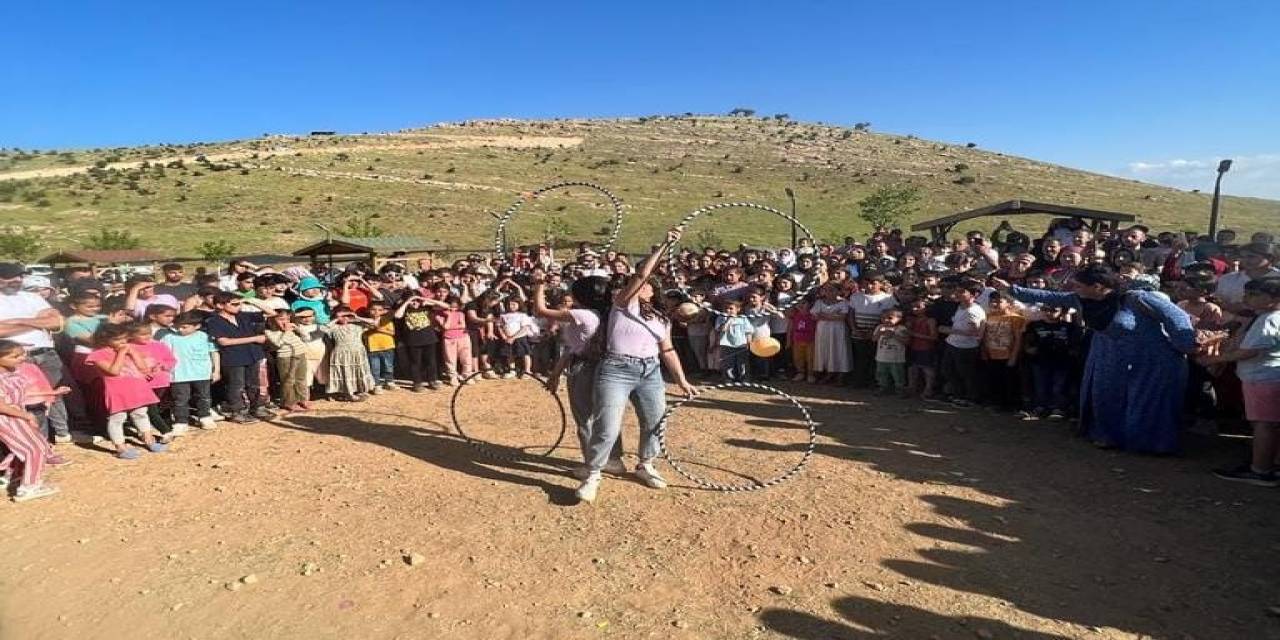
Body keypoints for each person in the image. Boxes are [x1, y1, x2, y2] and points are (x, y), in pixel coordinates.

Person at [995, 265, 1197, 453]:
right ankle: (1109, 436)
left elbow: (1176, 316)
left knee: (1145, 400)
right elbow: (1051, 296)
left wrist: (1185, 344)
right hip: (1110, 356)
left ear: (1098, 287)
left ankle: (1147, 443)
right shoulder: (1082, 299)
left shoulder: (1137, 298)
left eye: (1079, 285)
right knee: (1105, 395)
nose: (1074, 288)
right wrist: (1012, 290)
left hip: (1151, 358)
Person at [577, 229, 696, 503]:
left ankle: (646, 464)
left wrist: (682, 381)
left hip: (650, 371)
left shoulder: (661, 320)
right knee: (607, 425)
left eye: (645, 285)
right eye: (636, 284)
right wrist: (665, 244)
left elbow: (668, 350)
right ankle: (594, 473)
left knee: (655, 422)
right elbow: (641, 274)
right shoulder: (622, 305)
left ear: (653, 292)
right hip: (616, 369)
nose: (638, 285)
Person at [533, 272, 626, 479]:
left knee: (586, 419)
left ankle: (592, 464)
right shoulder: (610, 313)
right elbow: (573, 348)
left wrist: (539, 285)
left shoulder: (583, 315)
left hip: (584, 369)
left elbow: (540, 311)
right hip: (606, 367)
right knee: (607, 416)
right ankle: (614, 460)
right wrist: (556, 373)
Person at [1208, 279, 1280, 485]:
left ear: (1274, 298)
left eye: (1254, 294)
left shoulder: (1268, 320)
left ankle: (1260, 470)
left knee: (1263, 425)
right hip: (1271, 377)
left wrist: (1214, 359)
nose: (1246, 298)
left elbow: (1249, 351)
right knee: (1273, 424)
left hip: (1262, 378)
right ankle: (1273, 464)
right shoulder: (1267, 317)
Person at [85, 324, 167, 459]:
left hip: (137, 388)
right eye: (118, 339)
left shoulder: (131, 348)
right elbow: (113, 371)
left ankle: (149, 440)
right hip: (117, 391)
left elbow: (143, 368)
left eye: (125, 338)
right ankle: (120, 447)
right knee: (117, 418)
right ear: (105, 339)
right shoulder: (97, 355)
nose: (123, 342)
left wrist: (133, 353)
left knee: (141, 414)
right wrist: (122, 353)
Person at [0, 340, 66, 501]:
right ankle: (29, 487)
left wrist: (52, 392)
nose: (21, 358)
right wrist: (26, 416)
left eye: (22, 354)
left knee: (33, 446)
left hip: (16, 415)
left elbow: (20, 396)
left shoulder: (12, 374)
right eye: (15, 356)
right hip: (8, 419)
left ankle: (11, 475)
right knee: (34, 449)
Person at [204, 292, 271, 424]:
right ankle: (238, 411)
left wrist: (252, 301)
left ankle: (257, 407)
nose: (239, 306)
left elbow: (271, 313)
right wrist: (254, 338)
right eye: (234, 304)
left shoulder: (243, 316)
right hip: (233, 357)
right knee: (236, 386)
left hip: (251, 354)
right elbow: (224, 341)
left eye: (240, 303)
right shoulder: (214, 321)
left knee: (254, 384)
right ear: (219, 305)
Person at [162, 313, 219, 430]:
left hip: (202, 373)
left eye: (184, 327)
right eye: (178, 326)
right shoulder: (168, 337)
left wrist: (216, 370)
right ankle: (181, 421)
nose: (180, 329)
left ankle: (205, 416)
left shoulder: (204, 336)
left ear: (197, 326)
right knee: (180, 399)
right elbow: (162, 354)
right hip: (178, 375)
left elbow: (214, 352)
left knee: (203, 397)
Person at [1023, 306, 1081, 419]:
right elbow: (1027, 341)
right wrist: (1029, 349)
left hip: (1061, 361)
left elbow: (1075, 344)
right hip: (1040, 360)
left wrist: (1069, 350)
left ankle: (1058, 408)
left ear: (1062, 312)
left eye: (1054, 310)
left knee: (1059, 386)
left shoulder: (1069, 326)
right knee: (1040, 385)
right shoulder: (1034, 325)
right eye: (1046, 310)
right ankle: (1040, 407)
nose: (1049, 313)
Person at [939, 280, 986, 408]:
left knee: (966, 374)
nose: (958, 294)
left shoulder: (974, 312)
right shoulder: (960, 307)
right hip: (953, 343)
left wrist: (948, 330)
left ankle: (971, 398)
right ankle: (958, 394)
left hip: (965, 347)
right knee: (948, 370)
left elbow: (975, 332)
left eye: (962, 292)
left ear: (974, 294)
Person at [980, 292, 1027, 413]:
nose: (995, 304)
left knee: (1011, 381)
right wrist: (984, 351)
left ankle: (1013, 405)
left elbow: (1018, 339)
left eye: (999, 301)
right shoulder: (988, 316)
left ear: (1008, 303)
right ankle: (997, 403)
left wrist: (1013, 356)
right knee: (995, 380)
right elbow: (985, 336)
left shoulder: (1015, 318)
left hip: (1008, 354)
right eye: (993, 301)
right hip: (992, 353)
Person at [321, 306, 377, 402]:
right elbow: (323, 328)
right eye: (341, 316)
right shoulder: (334, 327)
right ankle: (348, 393)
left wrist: (357, 317)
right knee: (345, 372)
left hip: (357, 352)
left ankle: (359, 389)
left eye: (347, 316)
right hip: (341, 353)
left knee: (358, 370)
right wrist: (336, 318)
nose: (344, 318)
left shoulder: (358, 325)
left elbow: (374, 323)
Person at [394, 295, 445, 391]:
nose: (415, 303)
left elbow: (445, 306)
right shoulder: (405, 309)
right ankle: (417, 382)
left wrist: (426, 299)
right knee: (415, 362)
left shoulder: (426, 307)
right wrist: (407, 301)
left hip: (429, 338)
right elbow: (397, 315)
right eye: (412, 301)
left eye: (416, 301)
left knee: (431, 361)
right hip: (413, 340)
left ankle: (432, 380)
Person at [265, 314, 312, 412]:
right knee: (288, 380)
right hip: (286, 357)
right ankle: (289, 402)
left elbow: (307, 338)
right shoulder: (269, 331)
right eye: (281, 319)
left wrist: (298, 329)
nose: (285, 321)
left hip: (300, 354)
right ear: (273, 321)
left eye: (287, 319)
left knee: (301, 378)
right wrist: (286, 332)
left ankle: (302, 399)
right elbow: (279, 343)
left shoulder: (293, 330)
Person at [811, 284, 852, 384]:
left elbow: (842, 317)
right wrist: (833, 315)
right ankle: (828, 373)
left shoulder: (844, 302)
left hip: (838, 330)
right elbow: (814, 316)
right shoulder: (819, 302)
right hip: (823, 330)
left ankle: (840, 375)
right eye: (827, 290)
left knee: (839, 350)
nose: (829, 292)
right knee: (825, 350)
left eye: (832, 290)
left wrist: (824, 315)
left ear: (839, 291)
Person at [904, 298, 939, 399]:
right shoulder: (912, 320)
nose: (914, 309)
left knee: (927, 369)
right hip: (913, 346)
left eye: (918, 307)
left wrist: (915, 334)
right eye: (913, 307)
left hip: (926, 348)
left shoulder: (930, 321)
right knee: (912, 368)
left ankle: (928, 389)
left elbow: (934, 337)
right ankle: (912, 387)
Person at [436, 296, 475, 385]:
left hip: (463, 337)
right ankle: (452, 376)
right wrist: (449, 316)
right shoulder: (439, 314)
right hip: (449, 339)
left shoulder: (460, 313)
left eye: (455, 307)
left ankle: (466, 375)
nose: (453, 309)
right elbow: (446, 327)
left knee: (466, 358)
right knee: (450, 359)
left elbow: (463, 325)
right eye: (451, 307)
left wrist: (451, 327)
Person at [872, 308, 909, 395]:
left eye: (889, 318)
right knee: (881, 373)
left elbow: (907, 341)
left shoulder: (901, 328)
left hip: (896, 358)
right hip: (881, 357)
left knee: (898, 374)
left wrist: (894, 335)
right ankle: (883, 387)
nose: (886, 320)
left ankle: (900, 389)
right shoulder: (879, 327)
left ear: (899, 318)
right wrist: (880, 333)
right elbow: (874, 339)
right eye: (883, 318)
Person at [714, 300, 752, 382]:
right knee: (728, 363)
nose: (728, 310)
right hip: (726, 344)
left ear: (737, 309)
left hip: (741, 344)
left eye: (731, 308)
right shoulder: (721, 318)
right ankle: (729, 378)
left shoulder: (743, 318)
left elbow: (748, 331)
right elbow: (722, 329)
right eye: (726, 308)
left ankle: (744, 378)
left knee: (742, 363)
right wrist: (728, 320)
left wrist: (749, 342)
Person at [363, 301, 397, 392]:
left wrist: (378, 329)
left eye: (379, 310)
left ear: (383, 311)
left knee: (388, 366)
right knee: (375, 368)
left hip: (387, 346)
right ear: (368, 310)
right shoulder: (365, 322)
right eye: (373, 309)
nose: (376, 312)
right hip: (372, 347)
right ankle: (376, 384)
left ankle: (389, 381)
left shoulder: (386, 320)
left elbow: (392, 332)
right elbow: (363, 334)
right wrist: (368, 329)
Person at [787, 297, 817, 383]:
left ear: (809, 304)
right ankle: (800, 372)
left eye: (803, 303)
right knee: (798, 357)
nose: (801, 305)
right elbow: (790, 328)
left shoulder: (812, 315)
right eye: (798, 303)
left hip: (810, 340)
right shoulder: (794, 315)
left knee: (811, 357)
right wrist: (789, 340)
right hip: (797, 340)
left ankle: (811, 374)